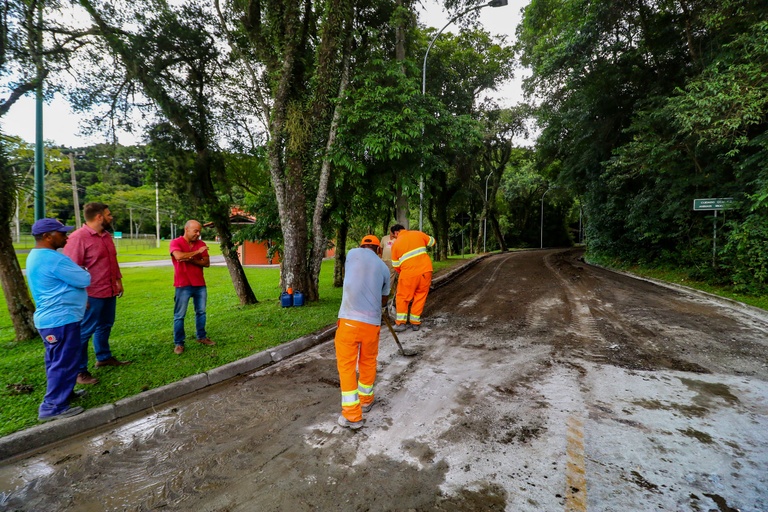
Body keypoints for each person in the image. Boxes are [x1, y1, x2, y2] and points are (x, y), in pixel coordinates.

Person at [26, 218, 91, 422]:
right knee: (63, 362)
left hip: (56, 319)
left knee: (60, 360)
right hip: (60, 320)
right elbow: (84, 279)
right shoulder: (52, 258)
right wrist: (82, 273)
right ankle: (53, 407)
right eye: (61, 233)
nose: (66, 236)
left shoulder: (37, 255)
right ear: (47, 236)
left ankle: (65, 394)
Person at [64, 202, 131, 386]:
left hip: (108, 290)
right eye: (109, 215)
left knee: (105, 324)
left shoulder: (106, 236)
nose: (111, 217)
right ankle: (79, 371)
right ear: (99, 217)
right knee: (84, 331)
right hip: (91, 293)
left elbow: (112, 261)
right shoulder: (78, 237)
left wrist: (118, 281)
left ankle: (103, 357)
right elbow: (71, 269)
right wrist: (80, 295)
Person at [335, 235, 391, 430]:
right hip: (371, 324)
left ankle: (352, 415)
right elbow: (384, 298)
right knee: (368, 362)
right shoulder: (384, 268)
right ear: (378, 250)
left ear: (361, 246)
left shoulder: (352, 254)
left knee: (347, 366)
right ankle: (366, 400)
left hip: (349, 322)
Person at [170, 220, 215, 355]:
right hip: (182, 285)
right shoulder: (176, 242)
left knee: (201, 312)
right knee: (179, 315)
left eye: (199, 231)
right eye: (195, 231)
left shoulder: (201, 244)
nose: (198, 233)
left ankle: (201, 337)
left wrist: (191, 259)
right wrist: (197, 253)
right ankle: (179, 343)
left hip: (199, 284)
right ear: (187, 229)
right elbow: (178, 256)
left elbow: (206, 263)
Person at [389, 224, 435, 332]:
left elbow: (396, 265)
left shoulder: (395, 244)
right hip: (426, 271)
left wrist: (404, 273)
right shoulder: (418, 234)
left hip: (408, 274)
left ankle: (401, 323)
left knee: (402, 297)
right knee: (420, 296)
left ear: (396, 232)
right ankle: (415, 323)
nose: (394, 238)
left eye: (394, 236)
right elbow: (432, 242)